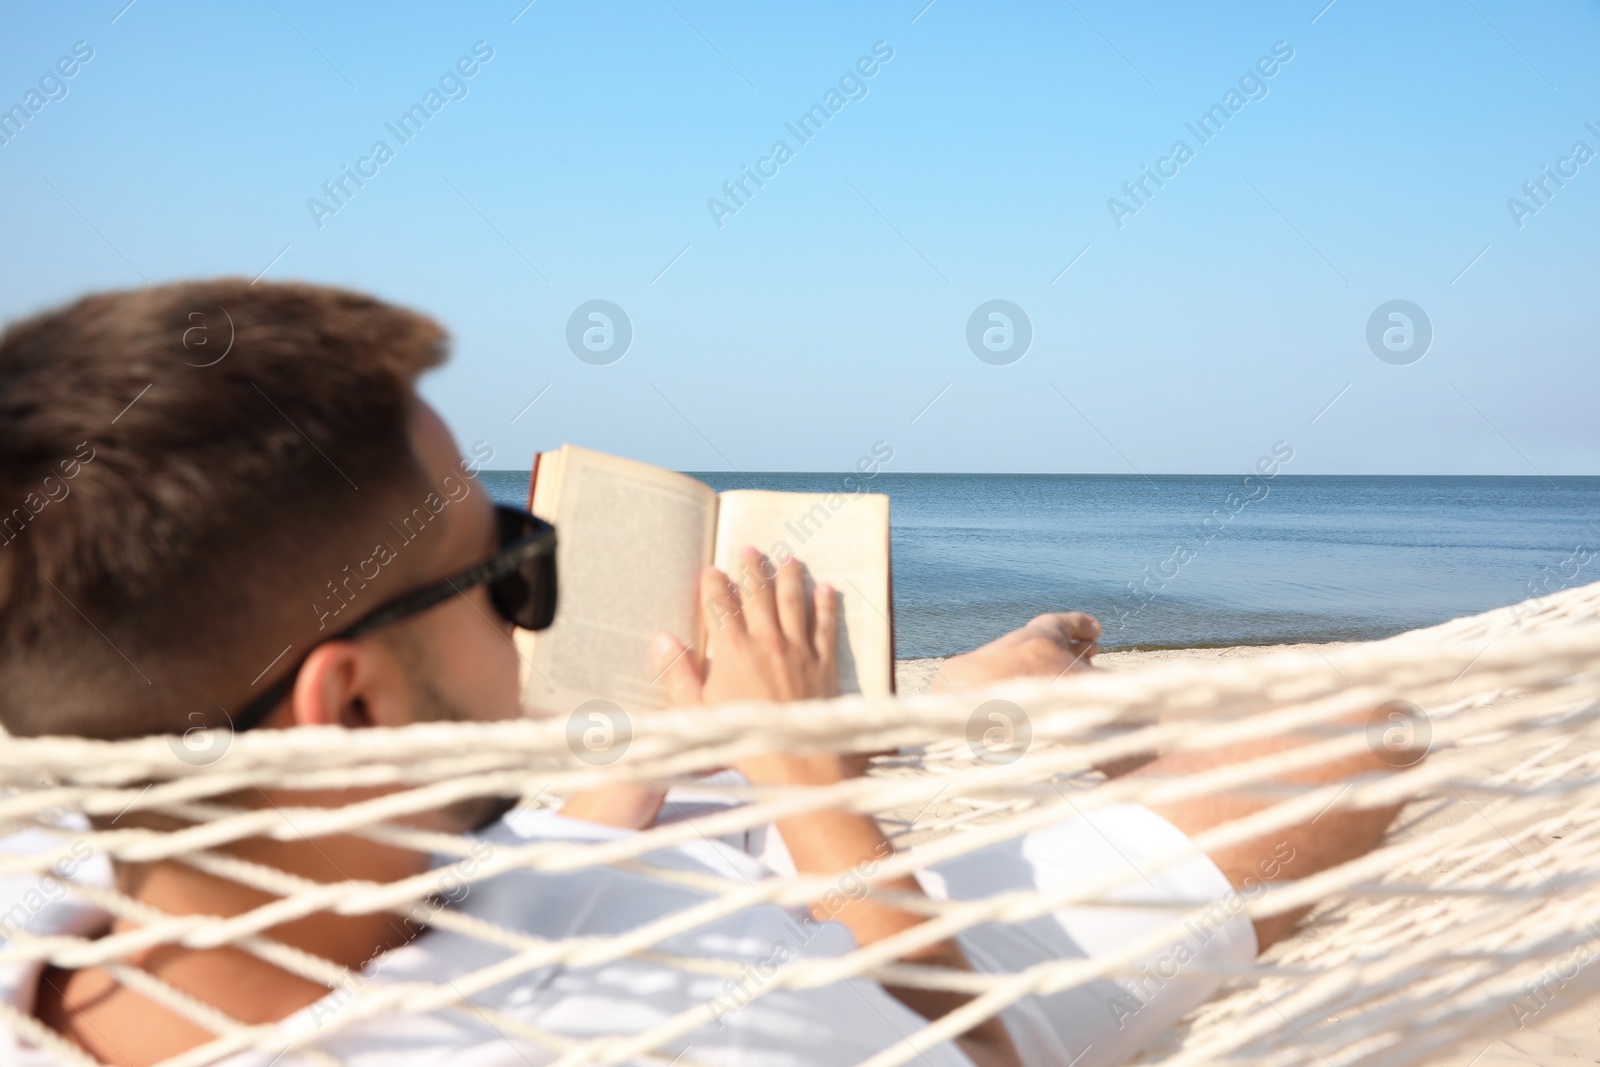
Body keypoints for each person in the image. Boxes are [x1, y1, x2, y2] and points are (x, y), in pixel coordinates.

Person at [0, 281, 1405, 1067]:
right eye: (508, 574)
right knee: (1359, 739)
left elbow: (410, 894)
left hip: (567, 867)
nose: (528, 612)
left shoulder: (64, 904)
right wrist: (810, 793)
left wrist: (641, 766)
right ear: (349, 702)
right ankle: (1032, 695)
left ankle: (990, 680)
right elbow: (973, 1051)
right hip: (890, 950)